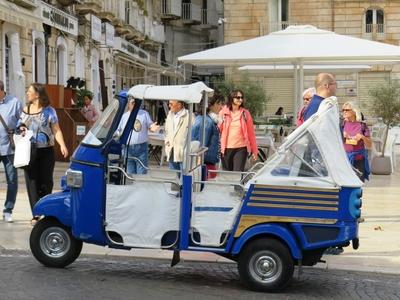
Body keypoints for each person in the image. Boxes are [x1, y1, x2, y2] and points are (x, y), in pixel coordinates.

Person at [19, 83, 68, 225]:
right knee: (32, 182)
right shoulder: (25, 109)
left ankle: (46, 210)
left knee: (46, 181)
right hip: (30, 151)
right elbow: (20, 126)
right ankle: (36, 213)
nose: (27, 93)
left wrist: (62, 145)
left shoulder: (49, 111)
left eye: (29, 91)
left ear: (38, 94)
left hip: (46, 151)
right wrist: (21, 130)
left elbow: (56, 130)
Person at [117, 98, 159, 174]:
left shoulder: (144, 113)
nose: (134, 104)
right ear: (129, 104)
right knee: (130, 173)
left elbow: (150, 125)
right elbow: (118, 130)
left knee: (141, 172)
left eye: (135, 102)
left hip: (141, 148)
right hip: (128, 148)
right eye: (132, 102)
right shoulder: (124, 116)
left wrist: (153, 128)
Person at [219, 89, 258, 172]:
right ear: (231, 98)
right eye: (238, 97)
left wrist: (255, 150)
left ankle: (237, 185)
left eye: (241, 97)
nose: (240, 99)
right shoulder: (223, 113)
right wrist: (220, 122)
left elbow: (251, 133)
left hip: (241, 148)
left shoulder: (245, 113)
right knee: (227, 176)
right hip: (226, 149)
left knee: (237, 175)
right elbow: (219, 130)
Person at [0, 81, 22, 223]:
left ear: (1, 90)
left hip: (9, 148)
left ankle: (8, 210)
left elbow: (23, 122)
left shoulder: (14, 102)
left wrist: (15, 130)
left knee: (12, 180)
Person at [192, 93, 224, 179]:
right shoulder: (207, 122)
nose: (221, 107)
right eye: (218, 103)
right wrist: (197, 169)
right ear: (210, 105)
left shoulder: (202, 119)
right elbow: (201, 147)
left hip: (204, 163)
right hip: (204, 164)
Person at [342, 101, 372, 182]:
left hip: (358, 161)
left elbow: (369, 145)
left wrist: (362, 137)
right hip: (344, 160)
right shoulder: (342, 124)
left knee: (358, 184)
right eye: (343, 110)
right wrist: (342, 135)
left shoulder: (362, 125)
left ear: (354, 111)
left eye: (347, 110)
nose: (344, 112)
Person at [165, 100, 189, 172]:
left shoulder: (189, 115)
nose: (169, 106)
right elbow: (166, 131)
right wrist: (167, 141)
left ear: (179, 105)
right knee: (174, 179)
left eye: (171, 104)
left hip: (183, 153)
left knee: (184, 178)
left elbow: (193, 134)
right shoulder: (170, 114)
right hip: (171, 151)